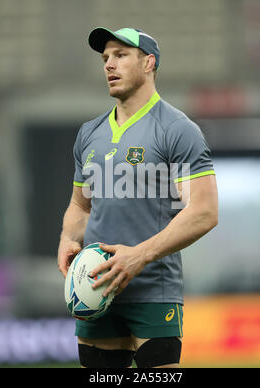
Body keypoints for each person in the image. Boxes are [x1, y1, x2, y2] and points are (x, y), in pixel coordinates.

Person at [57, 27, 218, 368]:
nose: (108, 65)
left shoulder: (177, 129)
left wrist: (139, 256)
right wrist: (68, 238)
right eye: (105, 58)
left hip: (153, 292)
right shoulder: (89, 133)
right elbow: (80, 204)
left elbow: (204, 211)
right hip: (95, 289)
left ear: (148, 63)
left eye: (120, 55)